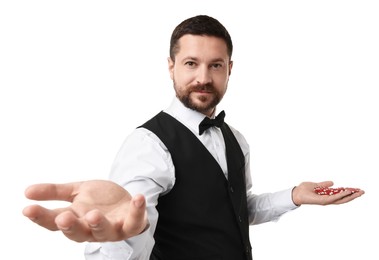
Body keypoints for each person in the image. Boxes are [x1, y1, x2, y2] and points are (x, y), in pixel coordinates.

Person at [23, 15, 364, 260]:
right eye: (191, 63)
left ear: (230, 69)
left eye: (215, 65)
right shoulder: (149, 144)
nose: (203, 77)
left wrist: (294, 196)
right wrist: (125, 235)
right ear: (171, 67)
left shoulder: (236, 139)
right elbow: (128, 223)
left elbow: (236, 209)